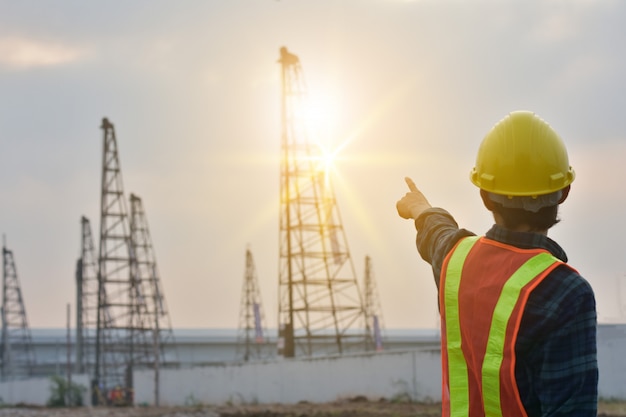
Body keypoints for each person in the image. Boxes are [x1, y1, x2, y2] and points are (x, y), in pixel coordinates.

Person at [396, 111, 598, 417]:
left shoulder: (457, 262)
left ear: (484, 196)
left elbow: (437, 236)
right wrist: (424, 211)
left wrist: (420, 208)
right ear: (564, 192)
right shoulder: (567, 293)